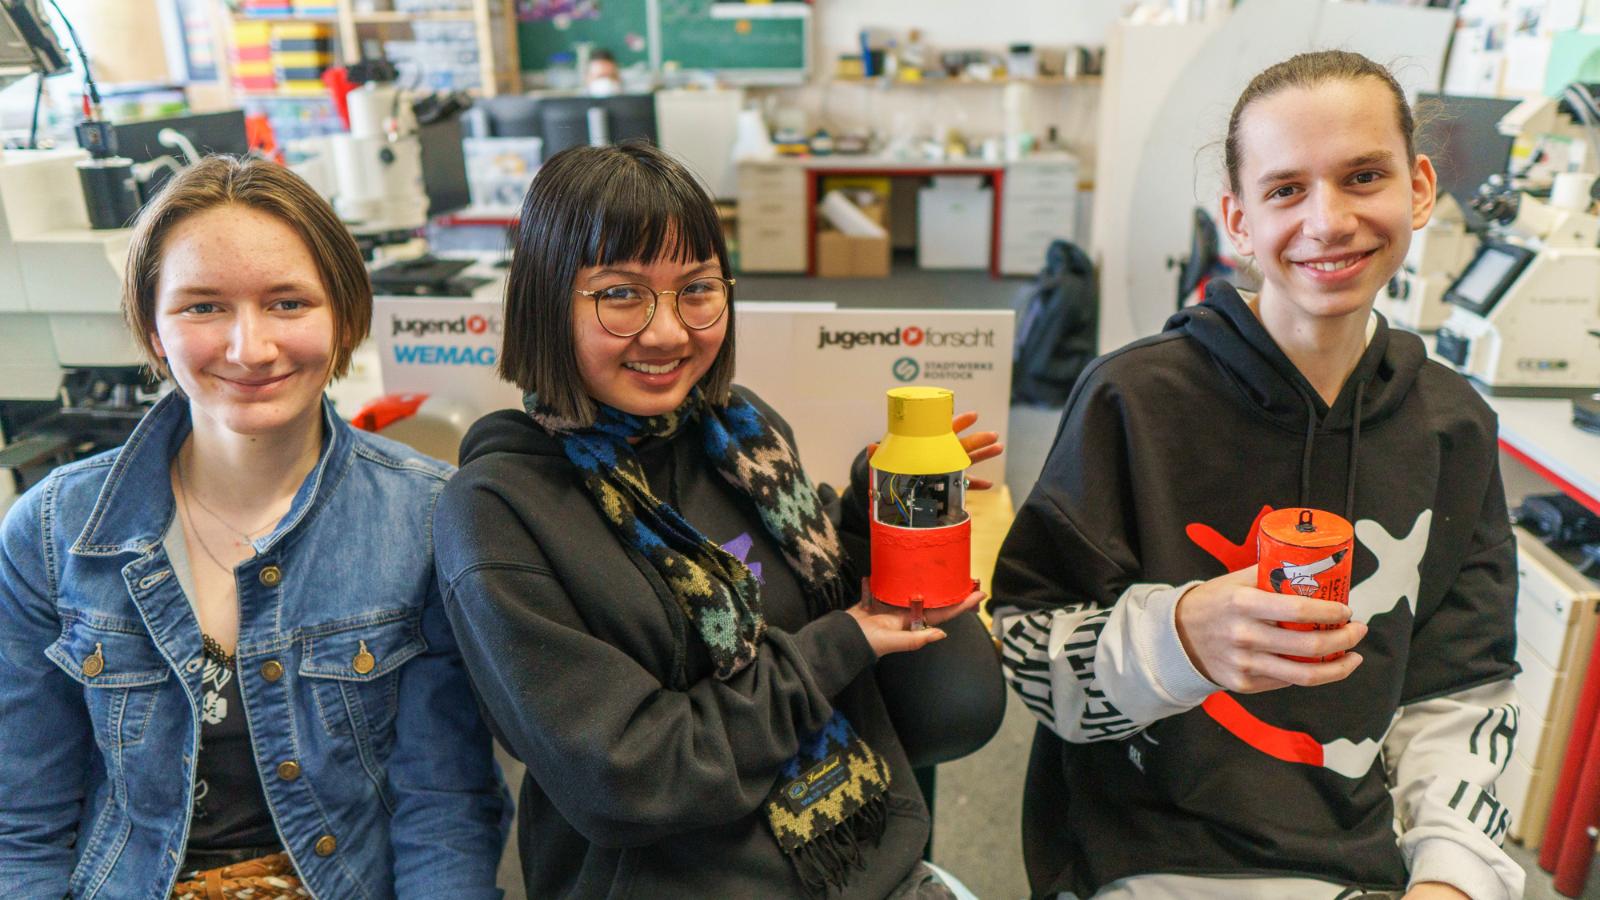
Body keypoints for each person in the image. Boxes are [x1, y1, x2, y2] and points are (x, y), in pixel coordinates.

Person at [990, 50, 1522, 900]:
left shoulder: (1452, 426)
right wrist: (1177, 640)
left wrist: (1452, 876)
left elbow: (1460, 689)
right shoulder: (1135, 399)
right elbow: (1023, 653)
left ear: (1419, 187)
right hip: (1144, 852)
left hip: (1352, 857)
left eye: (1362, 176)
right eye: (1286, 191)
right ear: (1237, 221)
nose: (1329, 220)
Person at [433, 141, 1003, 899]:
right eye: (621, 294)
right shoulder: (500, 516)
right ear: (546, 302)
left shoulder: (741, 434)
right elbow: (627, 773)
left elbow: (809, 597)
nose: (669, 332)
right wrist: (839, 646)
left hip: (865, 858)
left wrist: (877, 511)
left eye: (696, 289)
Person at [0, 156, 506, 898]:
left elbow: (446, 814)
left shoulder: (428, 517)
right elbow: (21, 825)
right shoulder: (52, 531)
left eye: (288, 303)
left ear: (343, 311)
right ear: (152, 325)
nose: (250, 348)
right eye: (203, 307)